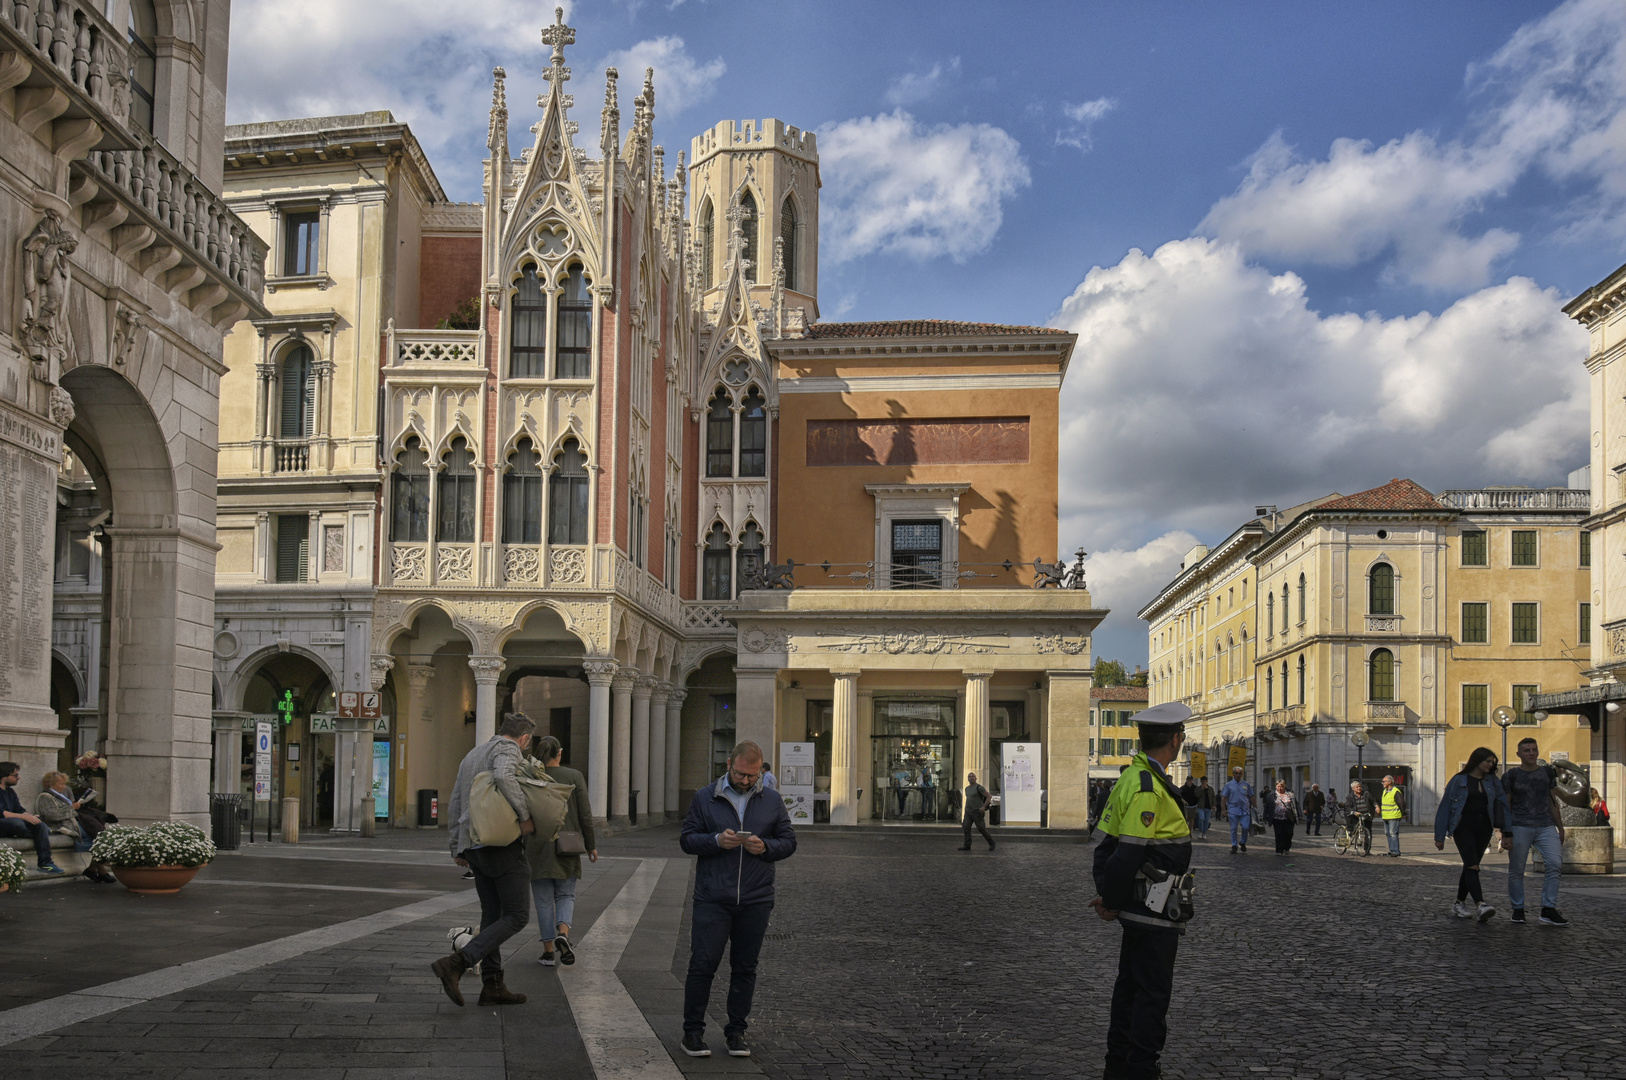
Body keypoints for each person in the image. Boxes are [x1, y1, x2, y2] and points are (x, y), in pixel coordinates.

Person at [1089, 703, 1195, 1080]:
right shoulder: (1148, 787)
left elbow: (1105, 846)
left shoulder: (1131, 778)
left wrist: (1108, 893)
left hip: (1139, 903)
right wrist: (1112, 902)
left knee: (1130, 987)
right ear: (1175, 740)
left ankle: (1117, 1064)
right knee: (1151, 992)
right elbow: (1128, 851)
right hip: (1153, 904)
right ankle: (1140, 1068)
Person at [679, 740, 797, 1059]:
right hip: (713, 897)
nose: (746, 781)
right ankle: (692, 1032)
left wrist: (766, 847)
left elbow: (788, 841)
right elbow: (687, 840)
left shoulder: (771, 800)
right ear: (729, 765)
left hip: (756, 898)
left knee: (745, 967)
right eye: (742, 774)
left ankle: (736, 1032)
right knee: (703, 964)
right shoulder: (706, 797)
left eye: (753, 776)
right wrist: (717, 840)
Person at [431, 713, 537, 1007]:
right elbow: (504, 776)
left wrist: (458, 846)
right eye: (526, 743)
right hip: (499, 842)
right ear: (524, 738)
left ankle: (493, 985)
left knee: (492, 915)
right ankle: (457, 962)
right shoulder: (507, 749)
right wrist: (525, 816)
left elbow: (456, 801)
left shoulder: (473, 753)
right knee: (517, 915)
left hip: (474, 846)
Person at [526, 736, 597, 968]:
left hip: (537, 846)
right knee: (566, 894)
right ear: (559, 753)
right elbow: (585, 814)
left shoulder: (530, 776)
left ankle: (547, 953)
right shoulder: (574, 776)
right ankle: (563, 935)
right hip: (566, 844)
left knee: (543, 901)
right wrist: (591, 845)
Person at [1432, 747, 1508, 923]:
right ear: (1477, 761)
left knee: (1469, 865)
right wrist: (1439, 835)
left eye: (1492, 762)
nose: (1491, 765)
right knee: (1473, 865)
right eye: (1488, 761)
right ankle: (1481, 904)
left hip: (1484, 828)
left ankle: (1459, 903)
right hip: (1463, 827)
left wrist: (1505, 830)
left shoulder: (1492, 781)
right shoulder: (1459, 780)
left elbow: (1502, 804)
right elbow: (1445, 807)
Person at [1504, 737, 1569, 926]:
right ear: (1519, 754)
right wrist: (1505, 831)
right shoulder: (1511, 775)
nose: (1531, 753)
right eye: (1526, 750)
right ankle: (1518, 909)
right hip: (1519, 826)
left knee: (1555, 864)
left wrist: (1560, 827)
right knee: (1517, 870)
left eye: (1534, 749)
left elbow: (1552, 801)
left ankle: (1548, 909)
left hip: (1545, 825)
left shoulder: (1547, 773)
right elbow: (1506, 804)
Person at [34, 771, 113, 882]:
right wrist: (72, 808)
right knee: (96, 836)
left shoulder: (59, 796)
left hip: (74, 822)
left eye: (64, 784)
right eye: (61, 784)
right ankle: (99, 867)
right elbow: (51, 815)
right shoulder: (45, 797)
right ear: (51, 785)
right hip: (64, 825)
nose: (64, 786)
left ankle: (95, 868)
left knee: (98, 834)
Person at [0, 762, 61, 875]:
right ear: (3, 777)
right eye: (15, 775)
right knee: (17, 823)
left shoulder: (10, 791)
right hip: (4, 824)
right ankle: (40, 834)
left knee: (40, 825)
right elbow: (2, 813)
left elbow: (18, 809)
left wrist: (30, 816)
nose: (19, 777)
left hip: (14, 823)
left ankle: (45, 863)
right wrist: (23, 817)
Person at [1221, 766, 1255, 854]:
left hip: (1244, 810)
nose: (1238, 775)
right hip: (1233, 809)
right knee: (1233, 828)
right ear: (1233, 774)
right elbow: (1224, 797)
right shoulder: (1228, 785)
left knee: (1245, 827)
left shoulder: (1246, 784)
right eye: (1236, 773)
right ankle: (1234, 845)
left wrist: (1255, 807)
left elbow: (1251, 796)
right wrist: (1224, 809)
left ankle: (1243, 842)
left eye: (1240, 773)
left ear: (1242, 774)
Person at [959, 771, 995, 851]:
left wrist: (983, 807)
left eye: (972, 776)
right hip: (968, 811)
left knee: (981, 828)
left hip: (977, 811)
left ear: (975, 778)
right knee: (966, 827)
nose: (971, 778)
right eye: (969, 777)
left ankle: (991, 842)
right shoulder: (967, 789)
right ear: (968, 779)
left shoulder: (979, 787)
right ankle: (967, 845)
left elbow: (989, 796)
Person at [1380, 774, 1407, 856]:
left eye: (1384, 781)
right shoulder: (1385, 791)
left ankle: (1395, 851)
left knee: (1393, 833)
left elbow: (1401, 803)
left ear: (1390, 782)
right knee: (1388, 833)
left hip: (1394, 816)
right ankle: (1392, 850)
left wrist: (1403, 813)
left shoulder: (1396, 791)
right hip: (1386, 816)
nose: (1382, 783)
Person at [1270, 780, 1297, 855]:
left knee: (1289, 833)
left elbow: (1295, 805)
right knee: (1279, 834)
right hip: (1277, 818)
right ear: (1276, 786)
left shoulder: (1290, 794)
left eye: (1282, 786)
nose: (1280, 788)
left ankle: (1287, 847)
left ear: (1285, 786)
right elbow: (1268, 806)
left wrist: (1299, 815)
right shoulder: (1272, 795)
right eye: (1278, 786)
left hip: (1288, 817)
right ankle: (1279, 850)